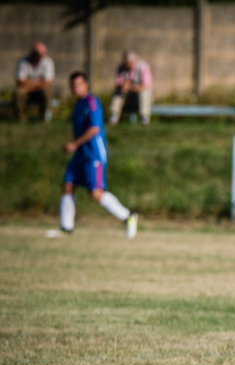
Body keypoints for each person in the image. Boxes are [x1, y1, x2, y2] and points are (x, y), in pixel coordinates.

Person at [47, 71, 138, 239]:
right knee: (68, 185)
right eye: (73, 85)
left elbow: (94, 128)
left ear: (86, 84)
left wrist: (74, 144)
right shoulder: (77, 105)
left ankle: (128, 216)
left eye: (78, 84)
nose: (75, 88)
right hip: (80, 154)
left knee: (95, 193)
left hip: (93, 154)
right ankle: (66, 228)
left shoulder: (92, 102)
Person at [109, 51, 153, 126]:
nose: (126, 64)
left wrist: (131, 86)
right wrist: (123, 86)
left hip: (140, 96)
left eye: (128, 62)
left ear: (134, 61)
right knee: (118, 92)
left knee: (144, 92)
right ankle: (114, 116)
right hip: (127, 97)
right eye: (125, 61)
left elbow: (145, 85)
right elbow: (118, 83)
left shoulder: (144, 66)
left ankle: (145, 117)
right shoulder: (121, 67)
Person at [13, 42, 55, 122]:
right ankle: (21, 119)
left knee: (47, 92)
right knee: (18, 93)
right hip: (26, 91)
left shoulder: (48, 62)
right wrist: (39, 82)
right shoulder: (23, 61)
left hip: (35, 90)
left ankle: (43, 119)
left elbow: (48, 82)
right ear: (32, 52)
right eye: (38, 53)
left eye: (43, 54)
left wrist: (29, 85)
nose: (40, 56)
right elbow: (20, 81)